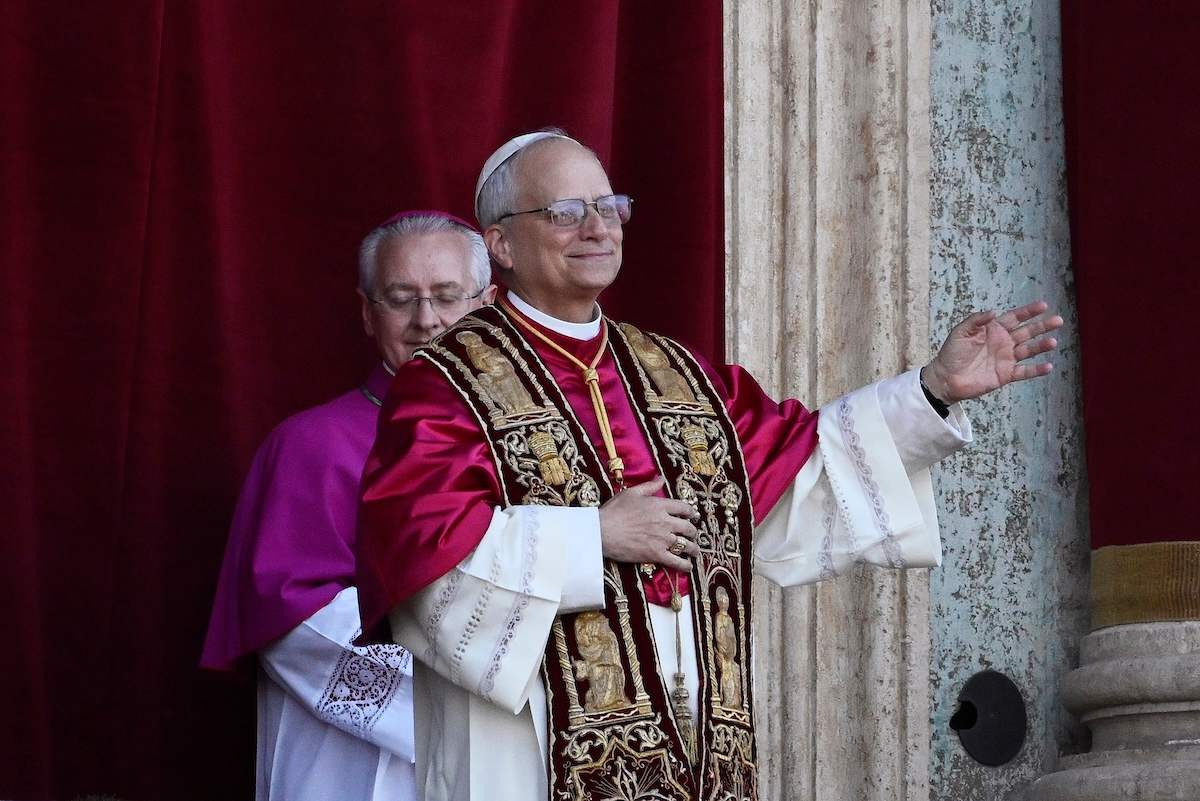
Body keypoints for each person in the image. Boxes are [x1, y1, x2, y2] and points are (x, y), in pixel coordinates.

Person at [355, 131, 1063, 801]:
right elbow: (425, 561)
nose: (597, 229)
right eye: (566, 212)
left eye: (609, 207)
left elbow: (802, 471)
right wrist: (591, 537)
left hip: (694, 748)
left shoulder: (678, 375)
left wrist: (933, 388)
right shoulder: (446, 383)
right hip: (528, 754)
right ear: (501, 243)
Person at [200, 210, 496, 801]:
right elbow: (295, 623)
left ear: (488, 307)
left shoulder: (533, 440)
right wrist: (474, 697)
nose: (426, 320)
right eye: (401, 299)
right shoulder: (309, 445)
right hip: (356, 766)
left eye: (446, 297)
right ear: (367, 312)